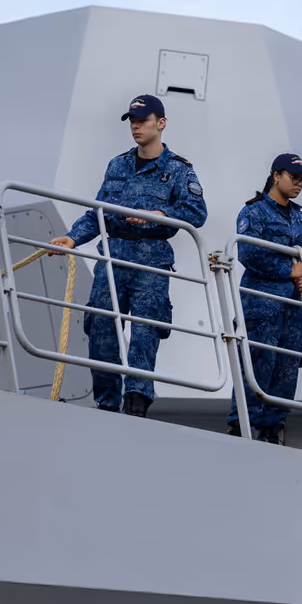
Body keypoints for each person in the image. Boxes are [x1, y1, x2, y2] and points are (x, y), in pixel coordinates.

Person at [49, 95, 206, 417]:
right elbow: (99, 212)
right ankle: (105, 404)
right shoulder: (117, 165)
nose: (136, 126)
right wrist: (73, 238)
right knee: (102, 327)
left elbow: (196, 212)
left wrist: (159, 214)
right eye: (132, 121)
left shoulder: (178, 170)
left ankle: (137, 403)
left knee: (145, 332)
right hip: (114, 256)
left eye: (143, 120)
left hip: (151, 259)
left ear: (160, 124)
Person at [227, 154, 302, 444]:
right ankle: (241, 429)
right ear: (276, 176)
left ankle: (272, 431)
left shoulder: (301, 218)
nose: (299, 184)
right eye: (294, 178)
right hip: (262, 306)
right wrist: (289, 270)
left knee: (287, 369)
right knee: (256, 365)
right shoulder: (254, 212)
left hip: (292, 310)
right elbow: (249, 253)